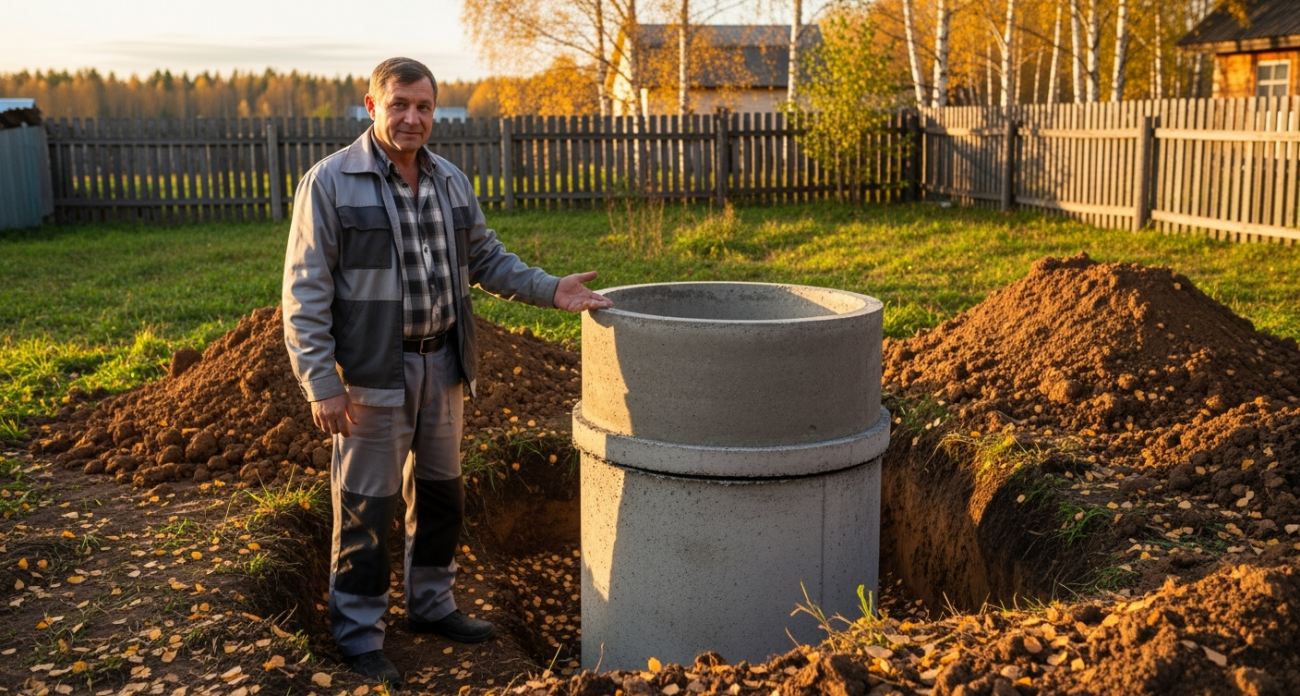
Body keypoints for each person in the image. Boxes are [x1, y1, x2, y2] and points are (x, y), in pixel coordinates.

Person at [282, 56, 613, 685]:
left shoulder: (450, 182)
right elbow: (305, 293)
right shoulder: (329, 183)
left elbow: (486, 257)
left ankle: (432, 608)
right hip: (371, 377)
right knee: (367, 506)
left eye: (424, 107)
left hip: (444, 365)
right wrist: (321, 383)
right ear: (372, 105)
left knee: (440, 498)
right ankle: (358, 633)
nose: (413, 118)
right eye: (400, 104)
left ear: (436, 111)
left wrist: (551, 289)